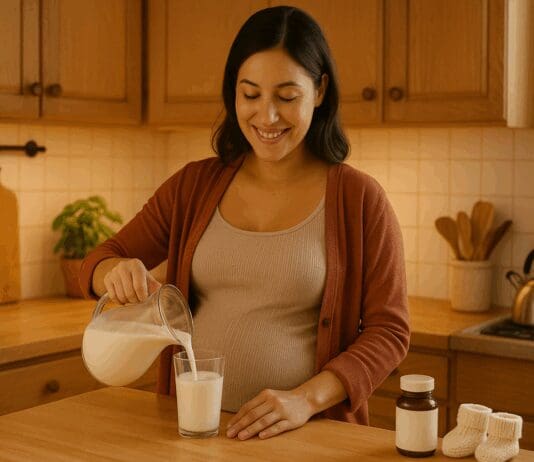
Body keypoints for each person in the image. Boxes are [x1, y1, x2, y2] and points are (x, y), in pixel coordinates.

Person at [79, 6, 409, 441]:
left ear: (321, 90)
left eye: (287, 97)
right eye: (250, 95)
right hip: (194, 435)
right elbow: (98, 261)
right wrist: (113, 274)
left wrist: (305, 399)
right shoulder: (193, 186)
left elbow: (389, 332)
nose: (266, 117)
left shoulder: (360, 200)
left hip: (308, 437)